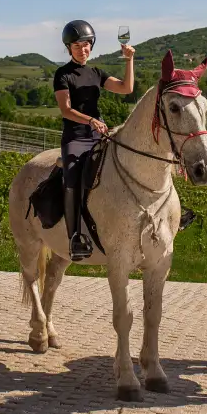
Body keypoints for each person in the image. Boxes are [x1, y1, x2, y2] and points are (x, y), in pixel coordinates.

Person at [54, 21, 135, 261]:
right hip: (76, 137)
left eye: (87, 44)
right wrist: (90, 120)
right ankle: (75, 236)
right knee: (71, 176)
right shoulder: (63, 74)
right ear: (69, 48)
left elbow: (126, 88)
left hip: (99, 134)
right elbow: (65, 110)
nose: (83, 49)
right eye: (77, 45)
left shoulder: (96, 73)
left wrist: (130, 61)